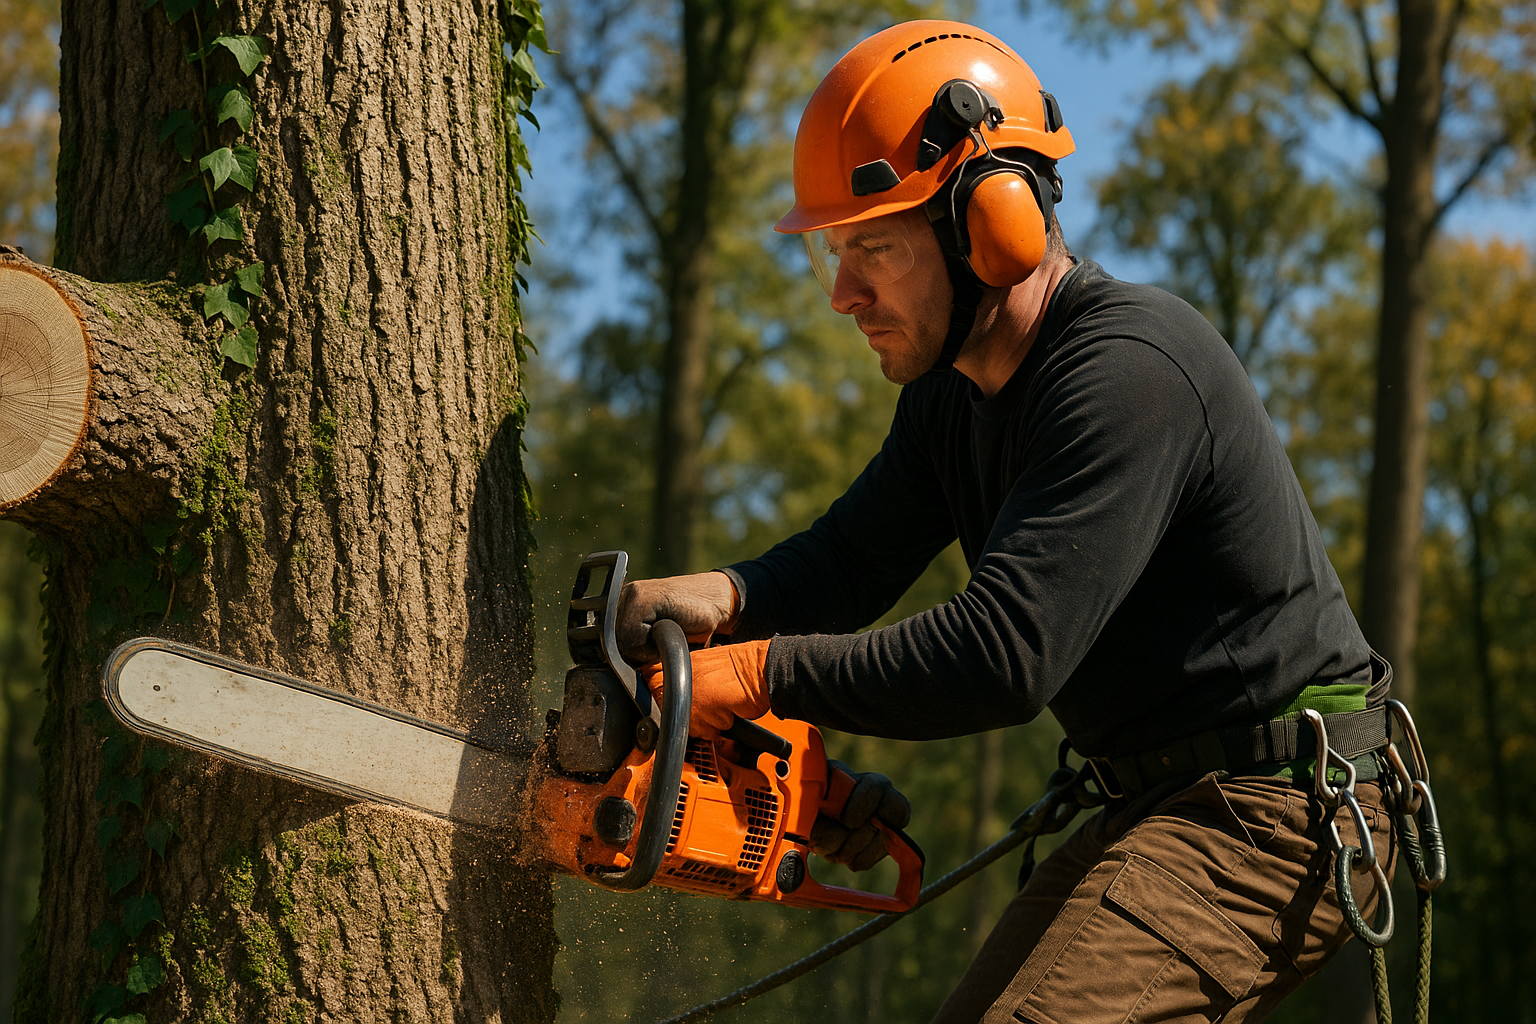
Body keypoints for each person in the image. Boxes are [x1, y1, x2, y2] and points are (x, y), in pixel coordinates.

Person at [622, 20, 1395, 1023]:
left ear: (996, 223)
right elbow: (849, 561)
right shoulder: (952, 399)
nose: (844, 296)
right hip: (1158, 799)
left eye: (874, 251)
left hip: (1279, 801)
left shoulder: (1129, 375)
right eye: (833, 255)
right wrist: (720, 603)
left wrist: (759, 674)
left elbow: (1003, 654)